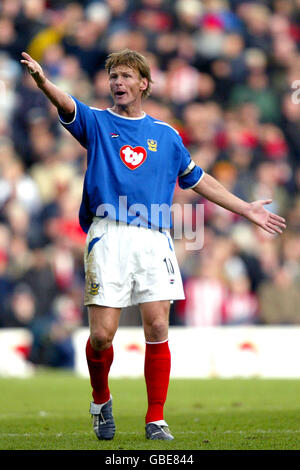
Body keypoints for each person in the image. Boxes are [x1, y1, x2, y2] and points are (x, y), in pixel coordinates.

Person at [20, 48, 286, 441]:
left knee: (158, 323)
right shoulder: (96, 122)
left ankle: (155, 418)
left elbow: (198, 179)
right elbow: (67, 103)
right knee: (101, 336)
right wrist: (43, 83)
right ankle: (100, 401)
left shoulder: (166, 136)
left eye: (126, 76)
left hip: (153, 237)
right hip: (107, 234)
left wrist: (245, 208)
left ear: (143, 83)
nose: (118, 83)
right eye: (113, 77)